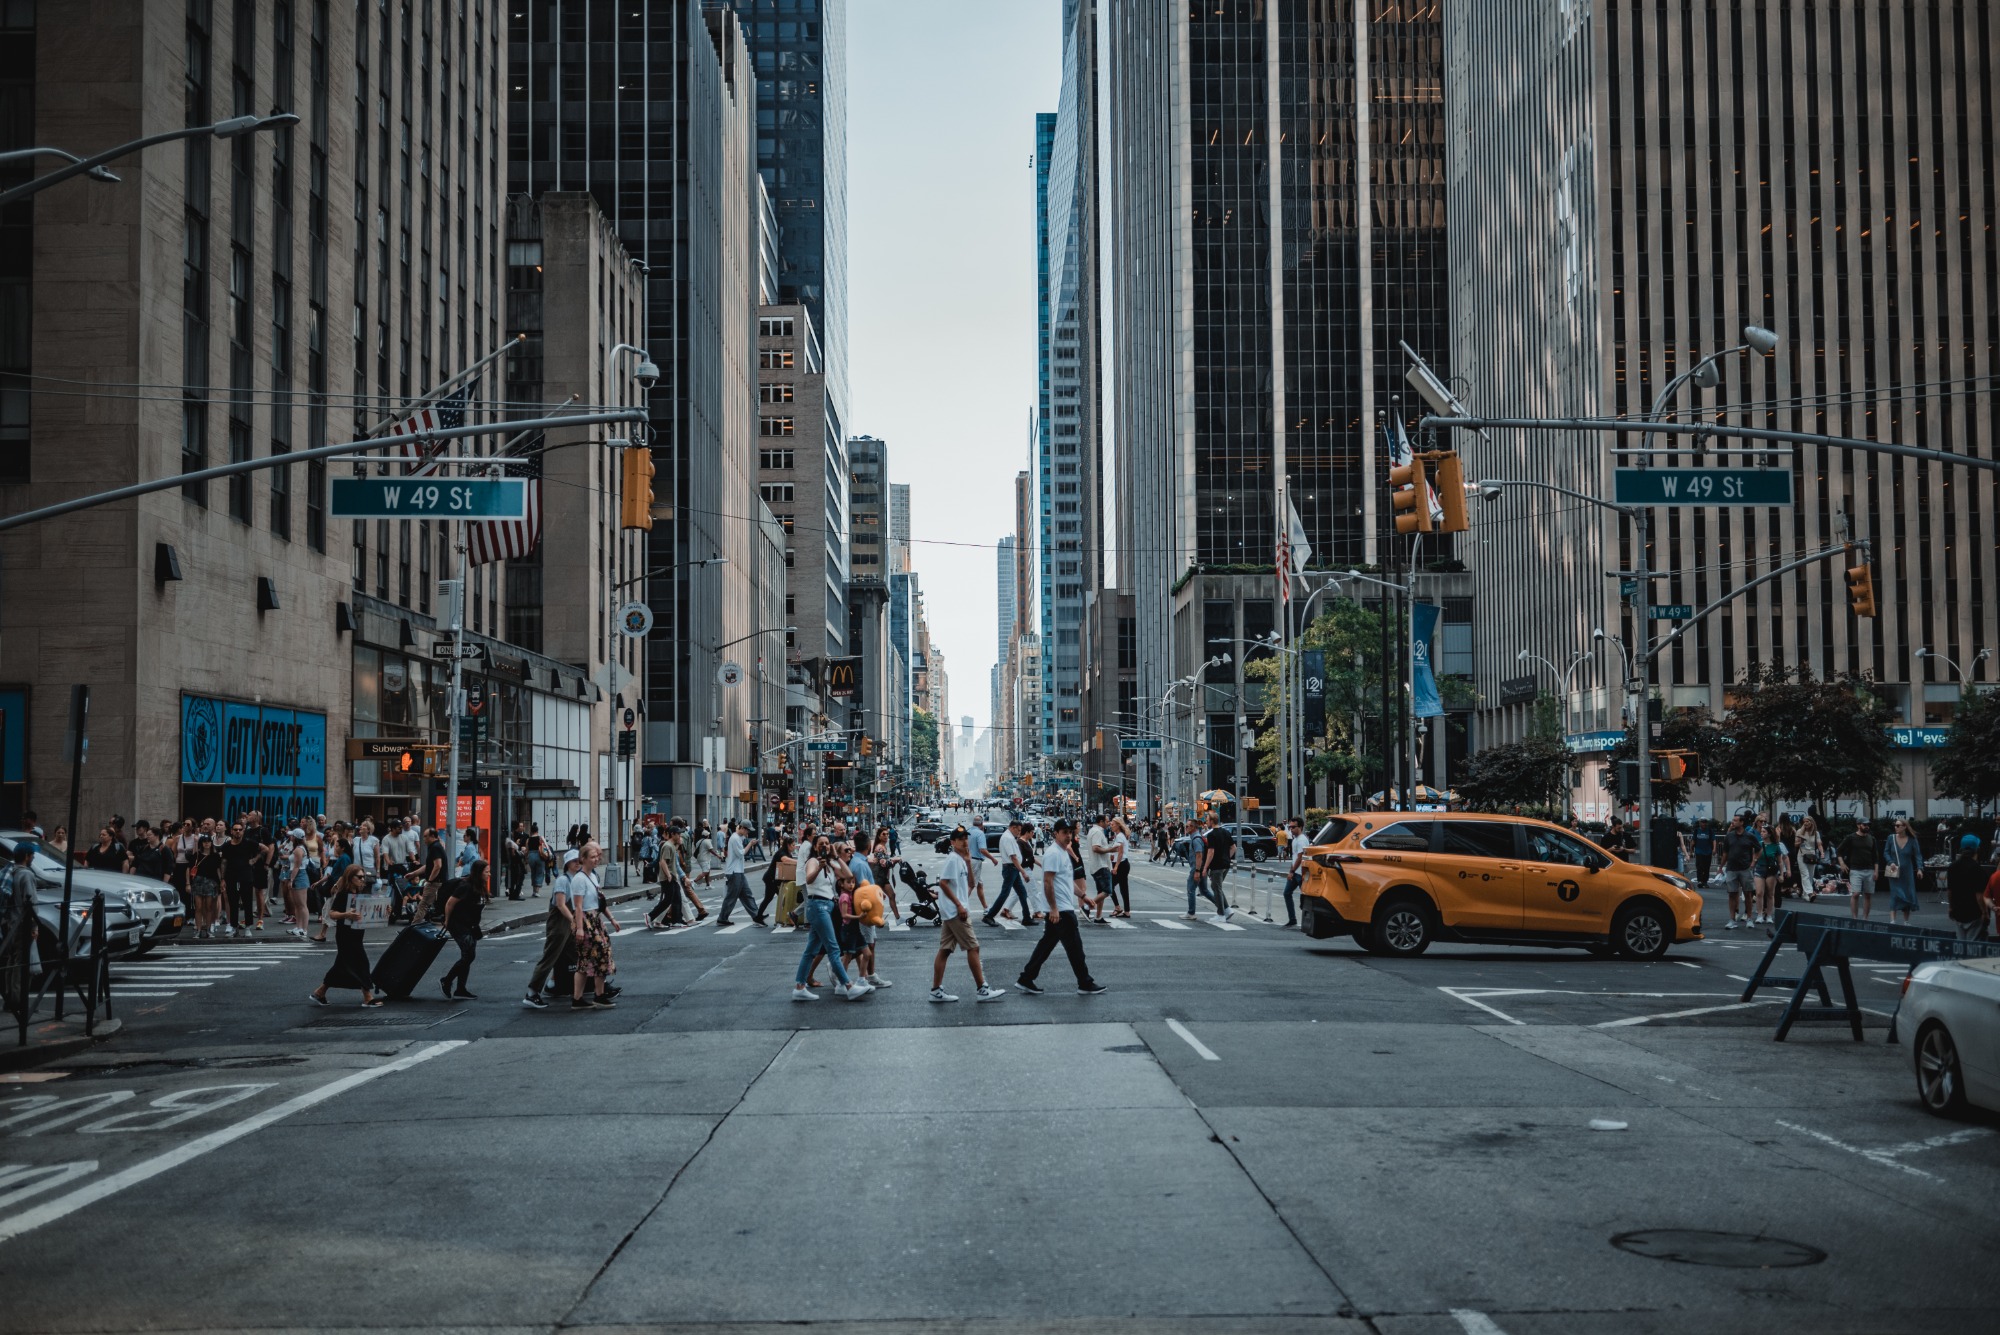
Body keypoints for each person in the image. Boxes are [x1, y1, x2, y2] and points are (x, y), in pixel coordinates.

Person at [1015, 820, 1103, 996]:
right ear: (1055, 833)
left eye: (1070, 832)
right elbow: (1048, 882)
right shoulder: (1054, 854)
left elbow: (1066, 882)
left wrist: (1084, 896)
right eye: (1064, 832)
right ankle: (1085, 982)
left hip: (1062, 907)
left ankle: (1026, 978)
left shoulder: (1063, 853)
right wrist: (1054, 908)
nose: (1068, 835)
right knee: (1075, 948)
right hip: (1061, 910)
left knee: (1046, 945)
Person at [792, 834, 872, 1002]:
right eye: (821, 844)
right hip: (817, 906)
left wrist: (836, 857)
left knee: (811, 950)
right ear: (815, 847)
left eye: (827, 844)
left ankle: (799, 986)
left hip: (827, 906)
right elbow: (808, 879)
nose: (825, 846)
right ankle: (847, 986)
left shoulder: (830, 863)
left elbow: (848, 875)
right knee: (833, 949)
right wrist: (819, 867)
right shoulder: (813, 862)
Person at [929, 828, 1004, 1003]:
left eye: (965, 838)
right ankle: (982, 989)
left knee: (945, 950)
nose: (964, 842)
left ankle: (935, 990)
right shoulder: (953, 860)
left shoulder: (962, 860)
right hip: (956, 912)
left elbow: (971, 883)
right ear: (952, 842)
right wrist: (959, 905)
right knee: (973, 947)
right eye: (960, 839)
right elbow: (943, 883)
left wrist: (969, 861)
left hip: (954, 911)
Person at [307, 867, 383, 1008]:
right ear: (350, 878)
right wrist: (346, 914)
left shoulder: (360, 893)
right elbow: (332, 914)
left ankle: (320, 992)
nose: (362, 880)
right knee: (362, 963)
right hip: (345, 935)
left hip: (357, 933)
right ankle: (367, 997)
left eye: (363, 877)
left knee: (342, 965)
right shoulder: (343, 894)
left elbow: (369, 912)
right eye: (359, 877)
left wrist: (384, 911)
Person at [523, 848, 582, 1008]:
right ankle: (532, 993)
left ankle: (560, 985)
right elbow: (561, 905)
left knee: (573, 955)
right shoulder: (563, 880)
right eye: (574, 861)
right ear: (568, 863)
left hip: (568, 922)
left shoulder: (576, 878)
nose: (578, 863)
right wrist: (574, 921)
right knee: (550, 957)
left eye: (579, 861)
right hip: (559, 924)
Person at [567, 842, 620, 1009]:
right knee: (596, 958)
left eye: (597, 856)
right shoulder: (579, 879)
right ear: (583, 859)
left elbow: (600, 902)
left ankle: (581, 998)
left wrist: (611, 919)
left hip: (595, 919)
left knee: (589, 961)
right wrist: (581, 928)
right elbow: (578, 906)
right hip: (586, 920)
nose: (596, 859)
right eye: (592, 857)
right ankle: (597, 996)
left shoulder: (593, 877)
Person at [439, 858, 491, 999]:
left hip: (470, 925)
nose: (489, 874)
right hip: (458, 924)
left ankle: (460, 989)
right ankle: (447, 980)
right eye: (487, 872)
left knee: (467, 956)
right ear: (479, 872)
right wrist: (447, 920)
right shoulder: (465, 886)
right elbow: (450, 903)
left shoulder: (479, 885)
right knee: (469, 955)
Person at [983, 819, 1033, 927]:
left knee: (1022, 893)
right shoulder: (1008, 838)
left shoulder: (1010, 837)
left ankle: (1027, 918)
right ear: (1013, 827)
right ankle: (989, 916)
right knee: (1005, 894)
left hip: (1012, 869)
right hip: (1011, 869)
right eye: (1018, 830)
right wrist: (1023, 872)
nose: (1019, 833)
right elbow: (1013, 857)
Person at [713, 820, 764, 926]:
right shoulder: (735, 838)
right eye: (747, 830)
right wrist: (750, 844)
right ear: (743, 828)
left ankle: (757, 915)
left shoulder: (738, 837)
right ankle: (722, 918)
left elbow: (742, 840)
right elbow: (741, 854)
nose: (748, 833)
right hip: (734, 872)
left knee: (747, 895)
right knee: (732, 897)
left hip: (738, 871)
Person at [1718, 814, 1760, 929]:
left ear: (1742, 822)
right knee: (1732, 894)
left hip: (1745, 868)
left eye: (1735, 820)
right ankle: (1732, 919)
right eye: (1733, 820)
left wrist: (1753, 862)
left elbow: (1759, 849)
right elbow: (1725, 853)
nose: (1733, 822)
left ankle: (1749, 918)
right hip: (1731, 868)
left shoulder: (1749, 836)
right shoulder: (1729, 836)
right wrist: (1721, 866)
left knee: (1748, 894)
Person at [1191, 813, 1236, 922]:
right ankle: (1227, 909)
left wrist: (1205, 867)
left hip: (1217, 866)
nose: (1206, 821)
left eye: (1207, 819)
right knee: (1217, 887)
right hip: (1225, 865)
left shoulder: (1211, 835)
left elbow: (1211, 852)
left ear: (1212, 821)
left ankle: (1221, 914)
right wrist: (1226, 857)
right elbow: (1233, 848)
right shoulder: (1226, 832)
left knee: (1216, 888)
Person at [1880, 818, 1923, 925]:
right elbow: (1886, 853)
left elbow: (1918, 855)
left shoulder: (1912, 840)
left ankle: (1906, 921)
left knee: (1908, 894)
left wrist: (1920, 869)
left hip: (1907, 871)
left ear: (1904, 827)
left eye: (1898, 825)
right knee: (1895, 894)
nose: (1896, 827)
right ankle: (1892, 920)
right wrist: (1891, 862)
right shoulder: (1891, 838)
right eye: (1895, 825)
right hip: (1894, 870)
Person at [1836, 818, 1879, 920]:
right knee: (1855, 893)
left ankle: (1865, 918)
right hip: (1855, 869)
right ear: (1858, 825)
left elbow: (1876, 857)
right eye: (1864, 825)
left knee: (1868, 894)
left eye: (1868, 825)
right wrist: (1842, 863)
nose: (1867, 826)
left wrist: (1876, 871)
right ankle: (1854, 918)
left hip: (1869, 869)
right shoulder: (1851, 838)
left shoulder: (1871, 839)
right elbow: (1839, 851)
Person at [1946, 835, 1987, 941]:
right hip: (1974, 913)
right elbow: (1979, 896)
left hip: (1958, 912)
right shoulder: (1978, 869)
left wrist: (1951, 907)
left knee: (1960, 943)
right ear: (1977, 849)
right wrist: (1984, 912)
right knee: (1973, 945)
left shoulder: (1952, 867)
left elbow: (1950, 891)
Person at [1751, 817, 1789, 931]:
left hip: (1771, 870)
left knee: (1770, 893)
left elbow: (1780, 861)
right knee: (1759, 893)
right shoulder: (1758, 844)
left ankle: (1769, 915)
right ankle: (1759, 914)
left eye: (1763, 832)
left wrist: (1782, 874)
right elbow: (1754, 857)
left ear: (1769, 834)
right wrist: (1754, 861)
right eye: (1761, 832)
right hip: (1760, 869)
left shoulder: (1776, 846)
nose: (1761, 833)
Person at [189, 835, 224, 938]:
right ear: (201, 843)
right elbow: (189, 869)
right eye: (204, 842)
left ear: (211, 843)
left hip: (211, 882)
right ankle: (199, 929)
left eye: (208, 841)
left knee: (209, 907)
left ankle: (208, 929)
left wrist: (221, 881)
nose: (207, 843)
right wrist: (188, 883)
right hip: (198, 881)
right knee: (198, 907)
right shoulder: (196, 855)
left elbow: (218, 869)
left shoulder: (215, 856)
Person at [1281, 816, 1310, 928]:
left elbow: (1300, 857)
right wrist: (1291, 870)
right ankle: (1292, 919)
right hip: (1295, 872)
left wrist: (1292, 871)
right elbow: (1294, 857)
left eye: (1294, 827)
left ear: (1301, 827)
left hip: (1301, 873)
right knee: (1287, 893)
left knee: (1305, 899)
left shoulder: (1302, 839)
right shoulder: (1295, 840)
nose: (1291, 829)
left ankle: (1306, 922)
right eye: (1290, 827)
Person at [1794, 817, 1824, 900]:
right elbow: (1795, 844)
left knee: (1810, 875)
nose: (1805, 823)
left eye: (1807, 821)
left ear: (1812, 822)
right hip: (1802, 855)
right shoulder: (1800, 831)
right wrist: (1800, 841)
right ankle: (1810, 892)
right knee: (1805, 874)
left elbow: (1819, 844)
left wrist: (1822, 853)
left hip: (1812, 855)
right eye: (1804, 822)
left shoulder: (1816, 833)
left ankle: (1805, 894)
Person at [1689, 819, 1715, 887]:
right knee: (1699, 867)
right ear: (1700, 823)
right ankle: (1700, 881)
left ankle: (1705, 881)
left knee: (1707, 867)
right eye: (1702, 822)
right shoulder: (1696, 831)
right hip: (1699, 851)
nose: (1704, 824)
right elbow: (1693, 841)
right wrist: (1691, 851)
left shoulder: (1710, 831)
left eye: (1705, 822)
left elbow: (1713, 840)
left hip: (1708, 851)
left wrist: (1714, 849)